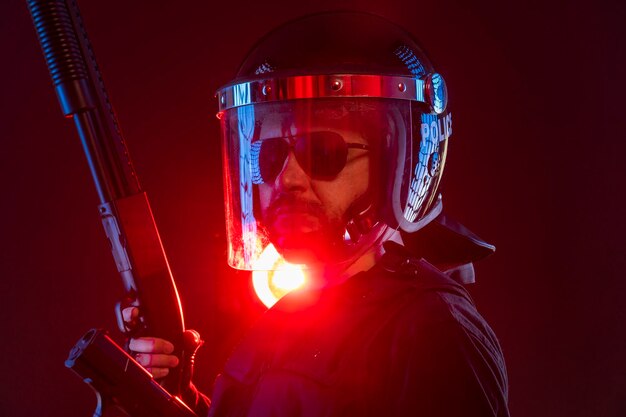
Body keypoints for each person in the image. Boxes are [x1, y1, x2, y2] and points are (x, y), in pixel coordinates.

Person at [126, 11, 510, 417]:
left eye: (323, 153)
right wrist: (174, 398)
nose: (287, 179)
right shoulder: (290, 319)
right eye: (271, 156)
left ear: (393, 165)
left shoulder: (429, 331)